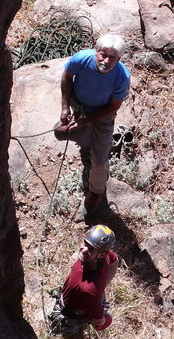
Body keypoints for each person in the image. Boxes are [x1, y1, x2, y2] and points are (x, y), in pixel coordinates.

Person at [59, 34, 131, 217]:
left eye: (112, 57)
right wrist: (65, 107)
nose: (106, 61)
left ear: (119, 58)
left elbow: (113, 106)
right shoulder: (82, 58)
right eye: (103, 54)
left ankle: (96, 192)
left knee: (99, 160)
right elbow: (67, 78)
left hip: (102, 112)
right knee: (59, 131)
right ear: (95, 51)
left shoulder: (122, 77)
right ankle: (78, 124)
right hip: (78, 102)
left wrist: (86, 121)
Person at [49, 225, 118, 336]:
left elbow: (99, 322)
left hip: (72, 314)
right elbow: (114, 262)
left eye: (91, 248)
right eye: (85, 243)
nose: (83, 249)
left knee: (69, 331)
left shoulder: (89, 290)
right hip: (84, 299)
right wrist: (102, 286)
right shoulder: (105, 256)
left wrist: (106, 319)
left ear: (101, 254)